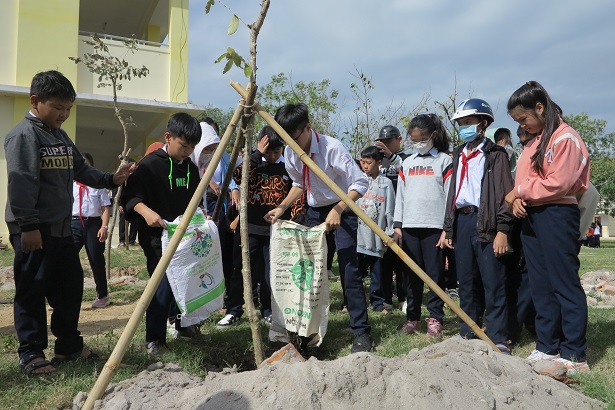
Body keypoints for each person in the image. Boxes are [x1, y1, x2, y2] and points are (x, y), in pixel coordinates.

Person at [4, 70, 135, 376]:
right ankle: (31, 353)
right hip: (35, 230)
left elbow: (80, 169)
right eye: (58, 108)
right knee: (32, 290)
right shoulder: (24, 136)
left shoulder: (60, 137)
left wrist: (110, 179)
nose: (63, 115)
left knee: (70, 287)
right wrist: (28, 226)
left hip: (62, 229)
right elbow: (20, 183)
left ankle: (68, 346)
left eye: (68, 109)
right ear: (36, 102)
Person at [265, 103, 373, 353]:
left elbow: (360, 182)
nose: (290, 145)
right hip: (315, 213)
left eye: (293, 138)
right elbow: (298, 184)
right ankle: (306, 334)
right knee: (309, 274)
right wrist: (281, 208)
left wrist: (338, 210)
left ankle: (361, 332)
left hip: (342, 209)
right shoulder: (291, 152)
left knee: (348, 271)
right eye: (285, 140)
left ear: (307, 128)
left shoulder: (332, 148)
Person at [505, 81, 591, 375]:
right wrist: (518, 199)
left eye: (523, 119)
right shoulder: (533, 141)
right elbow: (522, 183)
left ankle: (574, 353)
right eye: (518, 122)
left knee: (563, 282)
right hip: (533, 215)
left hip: (557, 213)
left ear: (539, 108)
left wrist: (520, 192)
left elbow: (560, 182)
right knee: (539, 283)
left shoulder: (564, 138)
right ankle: (547, 345)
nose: (523, 125)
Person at [122, 112, 204, 355]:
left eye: (192, 147)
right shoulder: (150, 165)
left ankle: (184, 325)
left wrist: (202, 216)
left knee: (185, 281)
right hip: (156, 237)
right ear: (168, 137)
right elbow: (131, 198)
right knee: (162, 286)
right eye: (184, 145)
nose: (187, 151)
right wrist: (146, 212)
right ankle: (154, 340)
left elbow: (196, 200)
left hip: (184, 238)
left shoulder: (190, 169)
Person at [440, 98, 514, 353]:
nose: (464, 127)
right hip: (462, 220)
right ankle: (468, 329)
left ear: (483, 124)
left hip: (488, 222)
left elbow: (505, 193)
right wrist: (448, 227)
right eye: (461, 124)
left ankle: (498, 336)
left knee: (493, 280)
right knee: (466, 280)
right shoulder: (459, 154)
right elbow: (454, 192)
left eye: (469, 122)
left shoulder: (496, 155)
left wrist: (503, 229)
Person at [221, 126, 303, 326]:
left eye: (277, 152)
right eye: (269, 152)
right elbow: (238, 177)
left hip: (274, 230)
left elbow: (297, 194)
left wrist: (296, 219)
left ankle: (268, 309)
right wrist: (256, 154)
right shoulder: (253, 165)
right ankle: (234, 309)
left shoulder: (287, 169)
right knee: (240, 268)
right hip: (248, 228)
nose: (273, 156)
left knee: (269, 272)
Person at [392, 114, 452, 337]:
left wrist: (447, 228)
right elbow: (401, 197)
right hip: (409, 226)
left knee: (435, 276)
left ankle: (435, 318)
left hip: (435, 228)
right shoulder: (407, 163)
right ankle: (413, 318)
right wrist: (398, 226)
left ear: (433, 135)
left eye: (422, 138)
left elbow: (449, 197)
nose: (418, 143)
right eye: (414, 140)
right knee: (411, 277)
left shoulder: (444, 161)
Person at [190, 122, 240, 324]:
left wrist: (233, 189)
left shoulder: (223, 156)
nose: (210, 152)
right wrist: (213, 186)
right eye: (207, 148)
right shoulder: (191, 162)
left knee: (225, 252)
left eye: (213, 147)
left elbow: (231, 176)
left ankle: (226, 298)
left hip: (224, 205)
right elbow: (203, 177)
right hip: (206, 206)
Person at [356, 146, 395, 314]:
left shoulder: (386, 184)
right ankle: (353, 302)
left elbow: (390, 210)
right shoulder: (358, 182)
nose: (365, 166)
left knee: (377, 272)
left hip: (377, 236)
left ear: (379, 163)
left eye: (369, 163)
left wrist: (389, 232)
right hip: (359, 236)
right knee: (356, 272)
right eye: (363, 162)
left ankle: (378, 303)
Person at [375, 125, 410, 310]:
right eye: (383, 142)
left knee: (402, 260)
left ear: (399, 139)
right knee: (384, 260)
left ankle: (404, 297)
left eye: (389, 141)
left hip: (402, 216)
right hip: (382, 217)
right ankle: (387, 297)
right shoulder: (380, 161)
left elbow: (406, 172)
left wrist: (390, 155)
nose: (385, 145)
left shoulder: (406, 159)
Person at [71, 153, 112, 308]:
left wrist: (104, 226)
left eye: (86, 165)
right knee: (66, 259)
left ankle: (102, 295)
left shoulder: (98, 185)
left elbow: (105, 208)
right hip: (73, 224)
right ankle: (61, 296)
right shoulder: (70, 185)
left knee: (96, 259)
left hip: (93, 224)